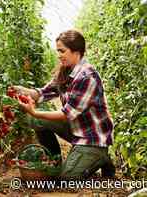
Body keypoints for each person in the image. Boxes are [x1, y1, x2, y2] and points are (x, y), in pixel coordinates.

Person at [12, 29, 115, 178]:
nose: (59, 55)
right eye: (58, 51)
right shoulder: (67, 71)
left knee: (67, 178)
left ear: (76, 52)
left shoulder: (87, 76)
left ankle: (101, 158)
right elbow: (42, 93)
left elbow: (66, 115)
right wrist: (22, 91)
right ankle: (55, 161)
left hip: (92, 138)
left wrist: (34, 111)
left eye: (62, 51)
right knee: (36, 121)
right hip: (77, 130)